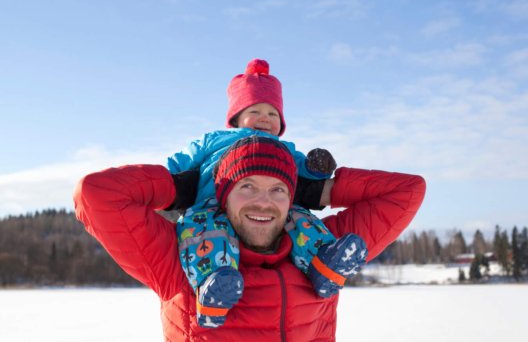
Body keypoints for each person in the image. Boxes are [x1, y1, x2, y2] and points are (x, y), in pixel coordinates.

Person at [73, 135, 426, 341]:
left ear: (292, 199)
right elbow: (96, 194)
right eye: (247, 187)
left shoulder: (324, 247)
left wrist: (322, 190)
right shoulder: (177, 257)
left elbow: (407, 191)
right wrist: (177, 186)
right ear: (222, 196)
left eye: (278, 189)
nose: (263, 201)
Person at [166, 59, 367, 327]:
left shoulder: (283, 148)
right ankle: (213, 288)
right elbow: (182, 161)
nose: (265, 118)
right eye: (256, 110)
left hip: (268, 208)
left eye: (273, 114)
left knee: (300, 219)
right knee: (204, 234)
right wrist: (166, 179)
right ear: (235, 117)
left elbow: (303, 171)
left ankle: (323, 263)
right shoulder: (214, 139)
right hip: (211, 206)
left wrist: (316, 167)